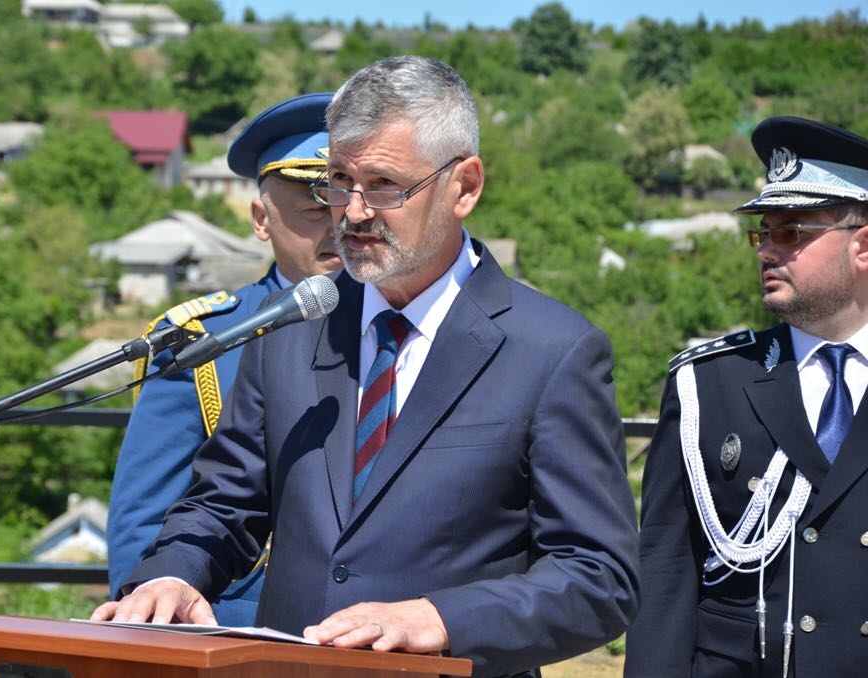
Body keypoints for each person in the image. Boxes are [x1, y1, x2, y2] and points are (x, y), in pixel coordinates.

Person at [93, 56, 639, 678]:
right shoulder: (293, 325)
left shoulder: (551, 349)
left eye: (383, 185)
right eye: (338, 182)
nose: (352, 212)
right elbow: (224, 504)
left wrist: (441, 619)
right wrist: (173, 573)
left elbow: (599, 578)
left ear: (464, 186)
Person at [625, 117, 868, 677]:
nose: (766, 252)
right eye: (764, 234)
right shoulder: (709, 385)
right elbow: (665, 571)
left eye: (792, 234)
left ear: (862, 246)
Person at [105, 92, 342, 624]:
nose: (338, 229)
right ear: (262, 219)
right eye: (313, 211)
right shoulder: (203, 339)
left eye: (349, 207)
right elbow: (144, 527)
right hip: (238, 631)